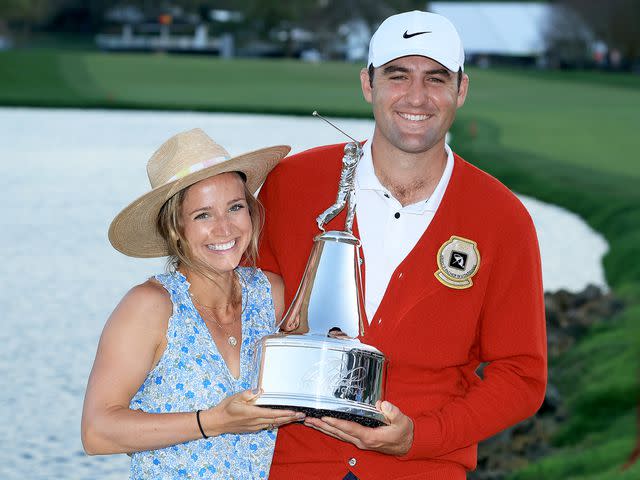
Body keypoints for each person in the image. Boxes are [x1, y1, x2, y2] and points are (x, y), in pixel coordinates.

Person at [257, 10, 547, 480]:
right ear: (368, 84)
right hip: (290, 464)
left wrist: (422, 436)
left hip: (423, 469)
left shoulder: (501, 218)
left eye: (436, 78)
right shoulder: (291, 186)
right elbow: (227, 314)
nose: (417, 97)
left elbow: (522, 376)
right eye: (398, 76)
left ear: (461, 90)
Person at [81, 128, 303, 479]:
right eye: (203, 215)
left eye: (235, 207)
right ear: (175, 228)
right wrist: (213, 422)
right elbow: (97, 431)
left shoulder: (272, 296)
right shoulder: (150, 307)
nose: (224, 228)